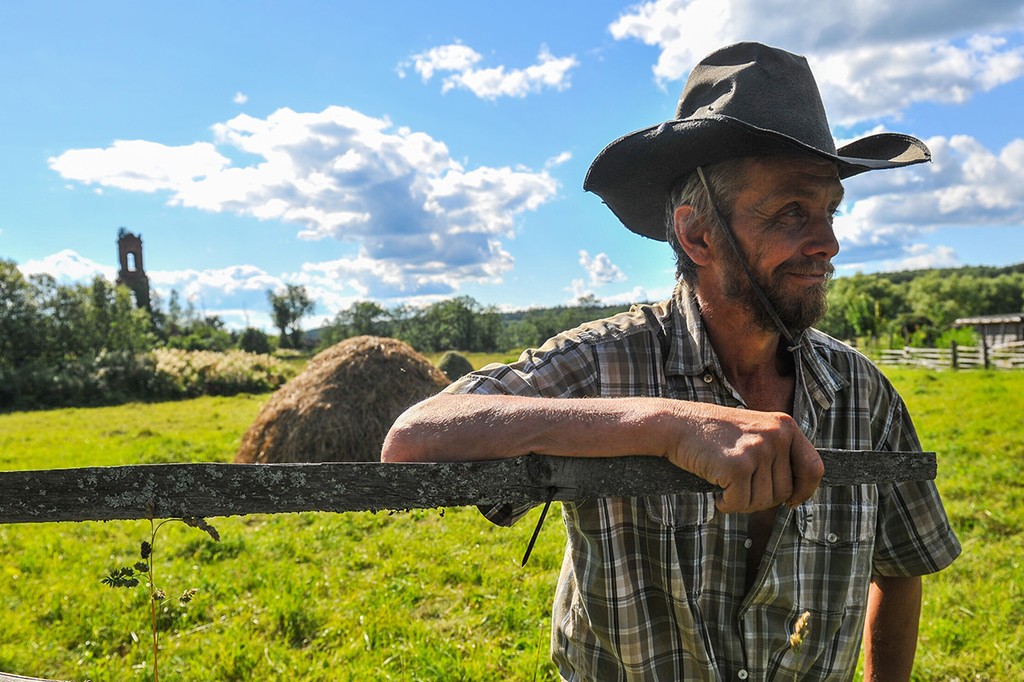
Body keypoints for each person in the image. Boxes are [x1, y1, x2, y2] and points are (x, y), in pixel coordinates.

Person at [382, 42, 960, 681]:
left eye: (829, 210)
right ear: (697, 235)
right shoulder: (606, 366)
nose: (828, 242)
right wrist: (667, 425)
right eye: (793, 211)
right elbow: (413, 437)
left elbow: (902, 569)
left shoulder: (863, 395)